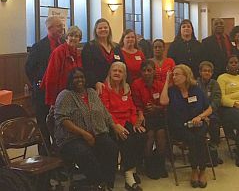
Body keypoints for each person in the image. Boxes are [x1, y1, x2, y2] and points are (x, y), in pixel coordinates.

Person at [53, 69, 119, 190]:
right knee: (85, 153)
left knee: (111, 147)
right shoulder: (66, 95)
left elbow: (104, 112)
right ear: (70, 80)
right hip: (71, 138)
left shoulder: (92, 92)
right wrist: (84, 134)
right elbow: (62, 119)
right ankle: (99, 183)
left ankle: (108, 183)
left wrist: (114, 126)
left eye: (82, 77)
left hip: (96, 132)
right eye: (76, 78)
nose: (80, 80)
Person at [158, 64, 213, 188]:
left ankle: (202, 170)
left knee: (200, 137)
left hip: (198, 122)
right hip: (179, 126)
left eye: (177, 74)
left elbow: (209, 109)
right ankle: (195, 170)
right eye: (173, 75)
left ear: (186, 76)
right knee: (195, 139)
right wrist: (167, 81)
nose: (174, 77)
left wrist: (200, 117)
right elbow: (163, 102)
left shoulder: (196, 89)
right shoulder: (172, 91)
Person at [97, 62, 146, 190]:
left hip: (127, 121)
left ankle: (131, 169)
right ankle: (129, 177)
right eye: (115, 70)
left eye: (120, 71)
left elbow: (131, 108)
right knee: (128, 140)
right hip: (111, 123)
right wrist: (116, 125)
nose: (117, 73)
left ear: (124, 74)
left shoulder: (126, 88)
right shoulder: (104, 88)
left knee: (142, 135)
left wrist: (136, 122)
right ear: (110, 72)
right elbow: (105, 111)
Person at [27, 17, 66, 149]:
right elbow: (29, 68)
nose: (62, 28)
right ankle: (45, 156)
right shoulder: (38, 47)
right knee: (43, 125)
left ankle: (60, 157)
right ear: (50, 28)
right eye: (59, 26)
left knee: (59, 124)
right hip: (42, 93)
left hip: (60, 92)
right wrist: (38, 82)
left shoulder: (63, 44)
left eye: (62, 26)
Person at [130, 60, 168, 180]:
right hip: (144, 116)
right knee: (150, 135)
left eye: (149, 70)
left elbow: (165, 104)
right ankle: (149, 164)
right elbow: (136, 104)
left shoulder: (160, 84)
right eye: (144, 70)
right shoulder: (136, 84)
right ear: (141, 72)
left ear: (154, 71)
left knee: (161, 134)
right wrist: (142, 113)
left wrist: (156, 108)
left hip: (159, 115)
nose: (146, 73)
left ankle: (161, 164)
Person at [43, 26, 82, 107]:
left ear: (80, 39)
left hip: (75, 94)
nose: (73, 38)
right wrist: (53, 101)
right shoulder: (58, 52)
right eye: (71, 35)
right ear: (66, 37)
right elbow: (51, 77)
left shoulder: (78, 53)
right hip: (61, 94)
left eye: (76, 36)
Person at [82, 18, 124, 92]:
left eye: (105, 27)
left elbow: (123, 65)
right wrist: (95, 82)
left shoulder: (116, 47)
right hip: (98, 86)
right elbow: (87, 68)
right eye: (100, 28)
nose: (103, 29)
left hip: (116, 85)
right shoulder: (89, 46)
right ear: (96, 30)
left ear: (109, 30)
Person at [196, 61, 223, 166]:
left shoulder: (215, 84)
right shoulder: (195, 84)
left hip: (211, 112)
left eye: (209, 71)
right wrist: (201, 114)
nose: (206, 73)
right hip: (197, 113)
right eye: (204, 71)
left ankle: (213, 152)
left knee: (214, 125)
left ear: (212, 73)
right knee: (200, 127)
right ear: (200, 72)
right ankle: (202, 154)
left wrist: (206, 114)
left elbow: (216, 101)